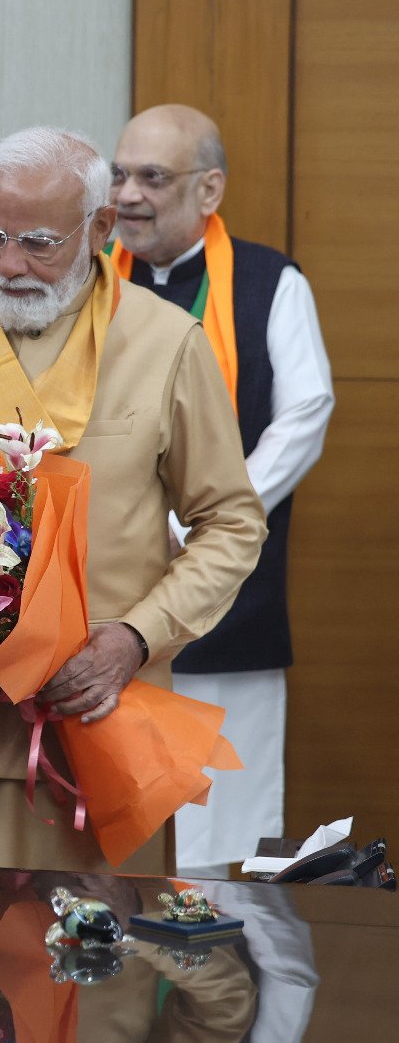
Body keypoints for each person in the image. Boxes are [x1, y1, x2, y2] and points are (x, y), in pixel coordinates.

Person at [0, 126, 265, 874]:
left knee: (83, 947)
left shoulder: (166, 342)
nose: (9, 264)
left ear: (101, 229)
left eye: (38, 243)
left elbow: (231, 523)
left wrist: (136, 637)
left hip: (86, 722)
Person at [110, 104, 335, 878]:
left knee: (219, 839)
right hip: (109, 607)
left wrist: (202, 524)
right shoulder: (88, 284)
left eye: (152, 177)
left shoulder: (271, 282)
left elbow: (305, 414)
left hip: (228, 601)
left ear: (209, 189)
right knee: (115, 833)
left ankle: (219, 957)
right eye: (119, 174)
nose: (128, 194)